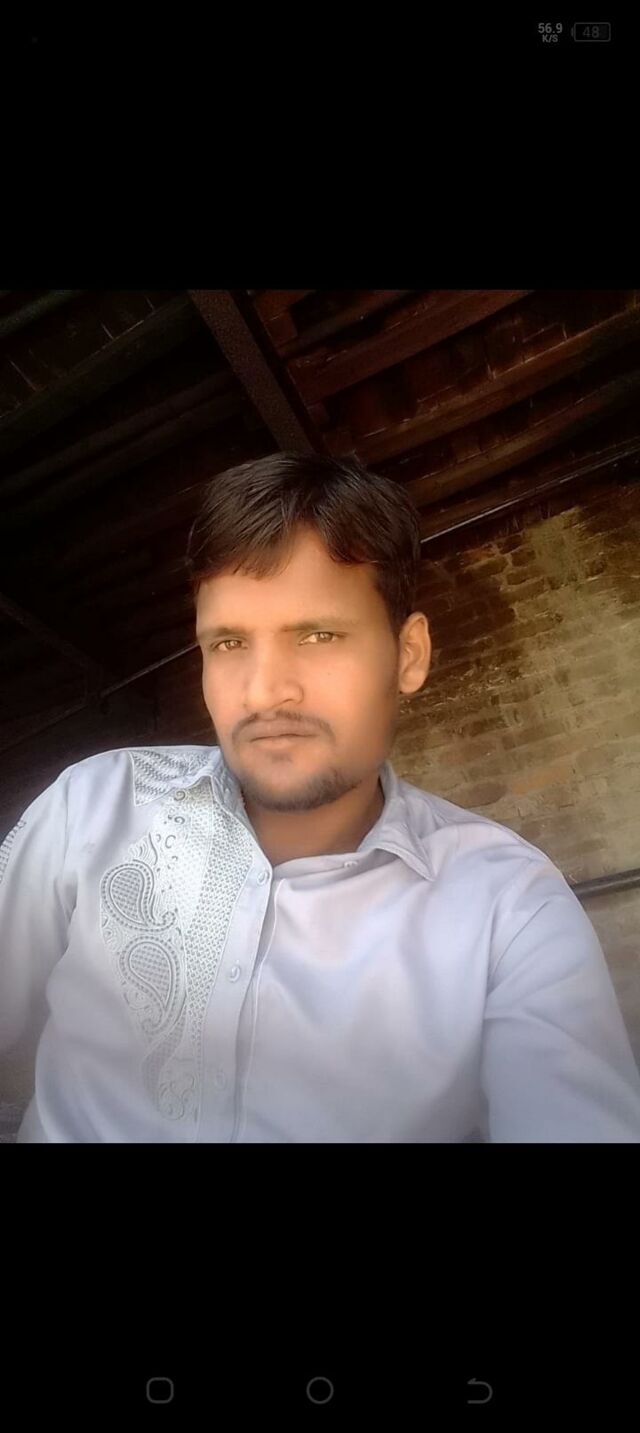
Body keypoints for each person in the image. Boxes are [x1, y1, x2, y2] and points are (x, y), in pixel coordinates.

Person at [2, 451, 640, 1142]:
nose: (264, 691)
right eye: (229, 643)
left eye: (318, 634)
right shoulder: (95, 806)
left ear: (409, 654)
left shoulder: (507, 904)